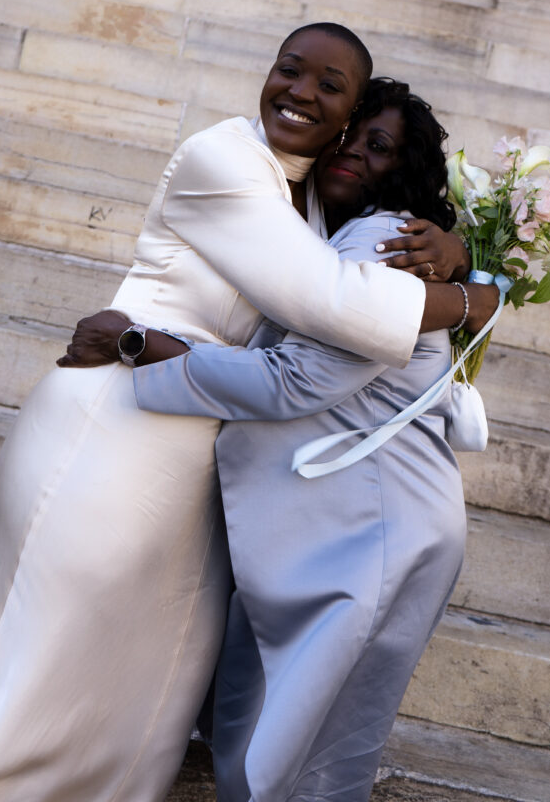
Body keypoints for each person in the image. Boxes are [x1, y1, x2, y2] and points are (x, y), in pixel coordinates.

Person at [0, 26, 490, 802]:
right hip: (113, 416)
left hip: (190, 456)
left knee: (129, 702)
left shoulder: (313, 192)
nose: (301, 92)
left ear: (347, 118)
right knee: (39, 664)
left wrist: (464, 262)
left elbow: (356, 271)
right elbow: (331, 302)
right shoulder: (223, 158)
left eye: (329, 85)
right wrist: (476, 298)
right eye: (288, 70)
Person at [134, 78, 480, 802]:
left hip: (366, 524)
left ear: (405, 169)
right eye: (349, 135)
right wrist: (484, 281)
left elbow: (298, 380)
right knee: (299, 740)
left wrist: (143, 347)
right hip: (363, 521)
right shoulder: (343, 234)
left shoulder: (387, 240)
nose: (351, 151)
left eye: (376, 146)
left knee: (285, 753)